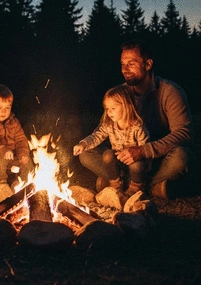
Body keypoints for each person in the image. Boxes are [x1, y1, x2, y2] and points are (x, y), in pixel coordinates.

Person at [78, 39, 194, 199]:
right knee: (86, 153)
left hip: (155, 161)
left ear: (147, 64)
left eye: (131, 63)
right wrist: (85, 143)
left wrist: (144, 151)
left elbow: (184, 133)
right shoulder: (120, 94)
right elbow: (103, 128)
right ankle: (150, 187)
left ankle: (129, 184)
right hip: (123, 160)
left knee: (181, 157)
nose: (125, 69)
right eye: (122, 64)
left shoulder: (170, 92)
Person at [73, 84, 149, 197]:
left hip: (135, 164)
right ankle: (116, 185)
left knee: (136, 166)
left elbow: (145, 150)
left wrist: (142, 164)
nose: (109, 112)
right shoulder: (109, 125)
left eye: (113, 108)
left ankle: (136, 186)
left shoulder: (138, 127)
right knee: (108, 155)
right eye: (107, 109)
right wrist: (83, 144)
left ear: (127, 106)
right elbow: (96, 136)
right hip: (118, 166)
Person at [0, 84, 35, 191]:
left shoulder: (14, 122)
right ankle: (1, 186)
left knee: (27, 162)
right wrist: (3, 150)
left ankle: (24, 185)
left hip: (13, 156)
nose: (4, 112)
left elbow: (21, 139)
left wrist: (22, 153)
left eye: (7, 108)